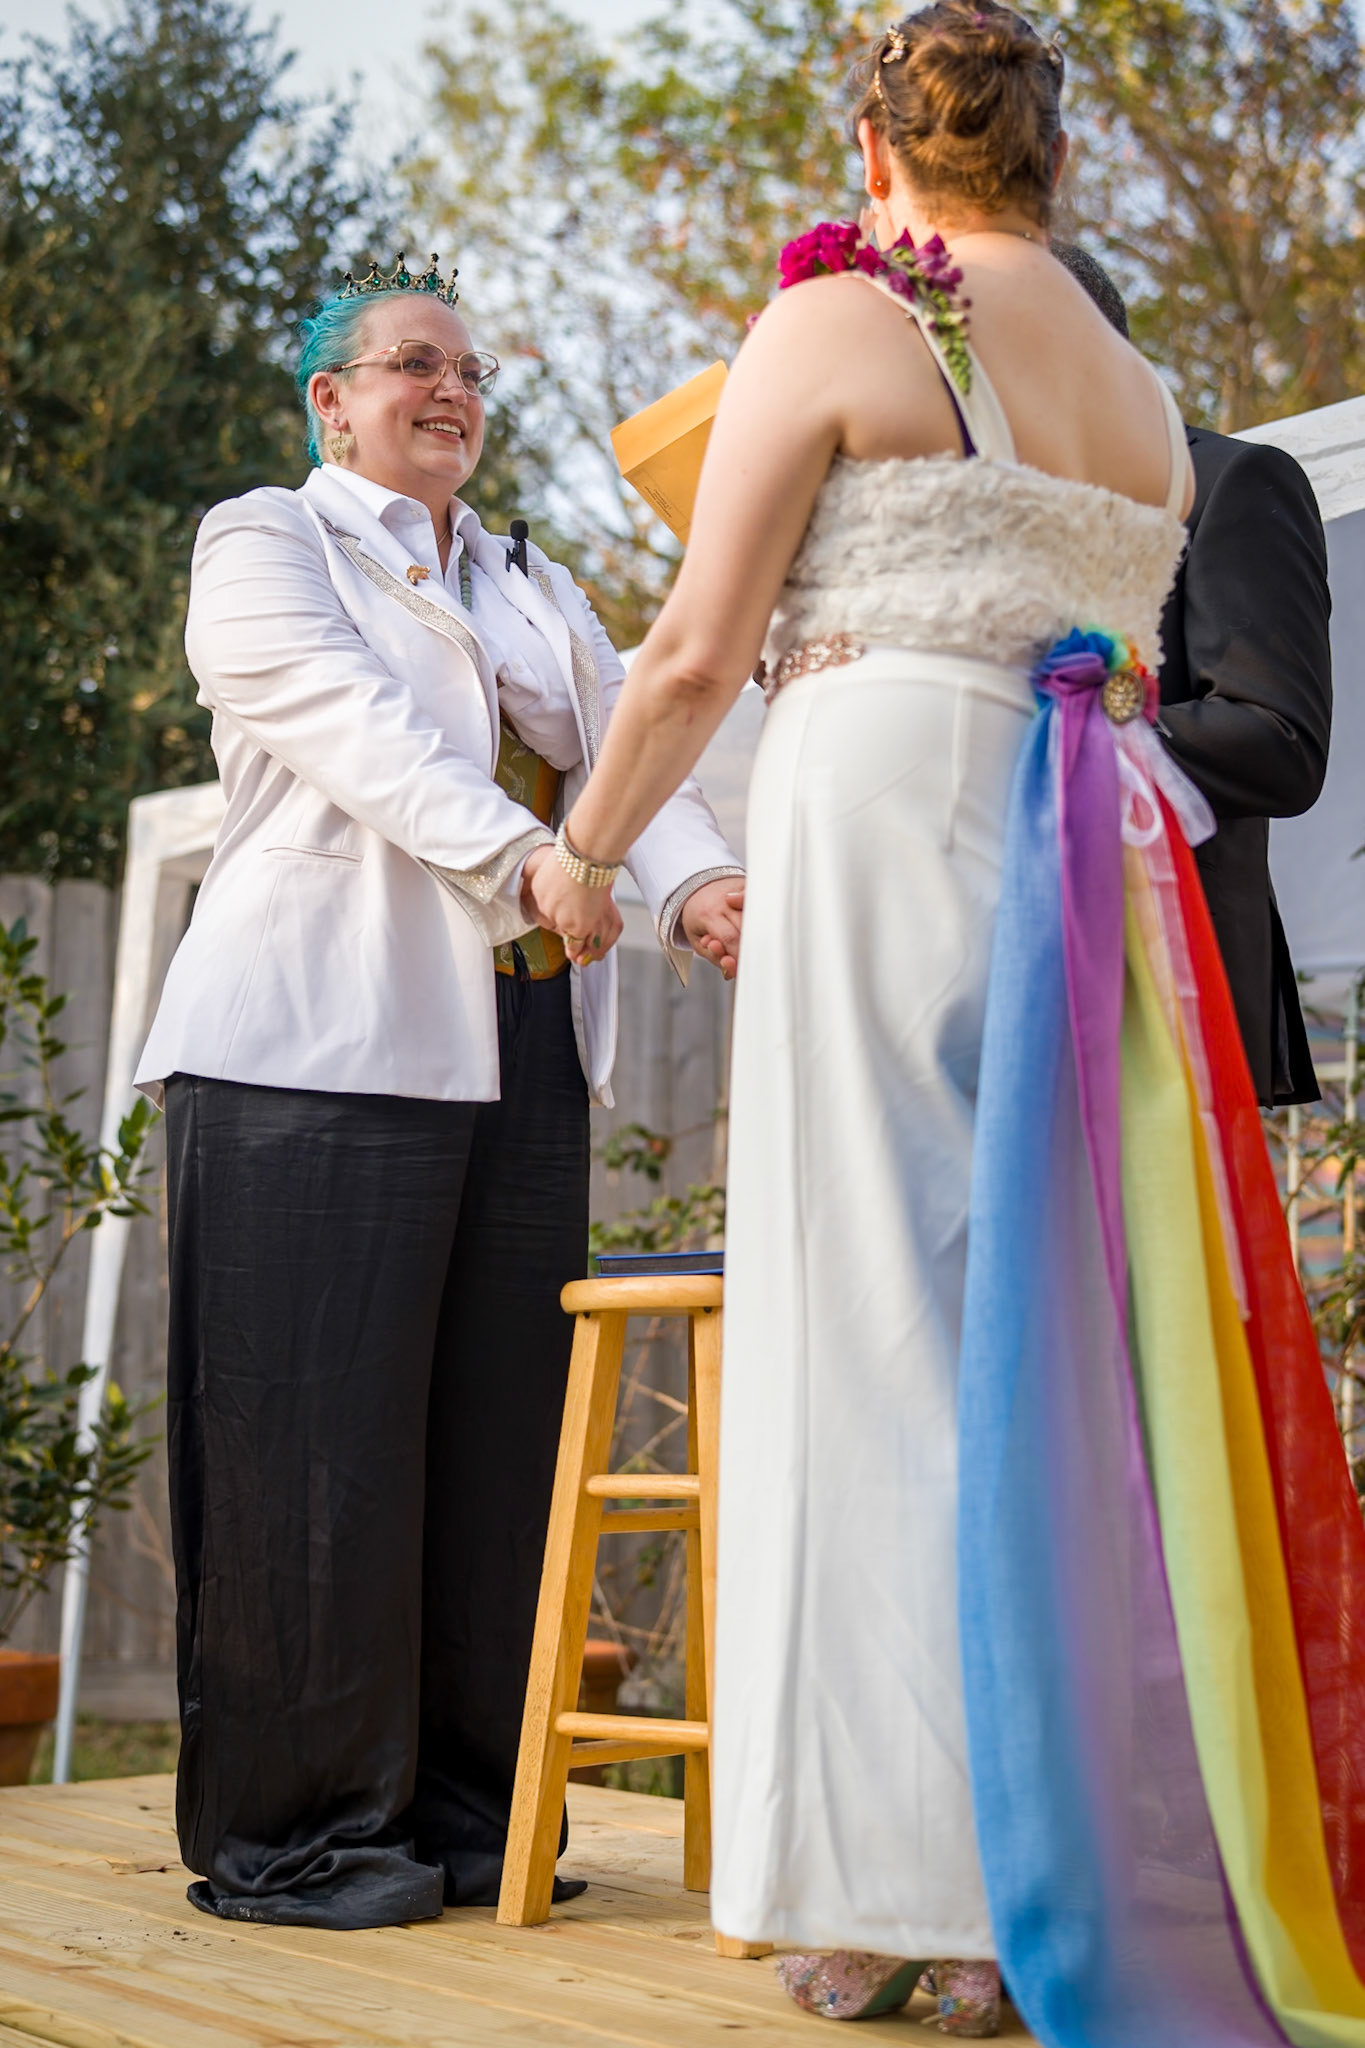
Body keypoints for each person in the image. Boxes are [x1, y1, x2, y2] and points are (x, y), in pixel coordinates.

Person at [531, 8, 1365, 2044]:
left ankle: (905, 1886)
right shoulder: (1142, 391)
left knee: (875, 1330)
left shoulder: (839, 318)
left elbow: (692, 647)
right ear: (1054, 161)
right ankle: (1035, 1874)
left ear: (874, 149)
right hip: (1075, 828)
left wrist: (582, 848)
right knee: (1041, 1337)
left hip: (892, 799)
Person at [134, 256, 744, 1930]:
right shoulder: (267, 541)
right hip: (308, 1048)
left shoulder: (535, 578)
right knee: (312, 1450)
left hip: (523, 1046)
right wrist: (531, 858)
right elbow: (356, 733)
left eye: (470, 372)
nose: (452, 392)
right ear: (330, 403)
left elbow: (636, 739)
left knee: (497, 1452)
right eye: (414, 364)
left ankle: (476, 1816)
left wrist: (699, 886)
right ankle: (303, 1837)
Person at [1053, 241, 1331, 1107]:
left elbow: (1275, 737)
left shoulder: (1225, 482)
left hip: (1169, 995)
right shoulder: (981, 520)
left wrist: (1067, 718)